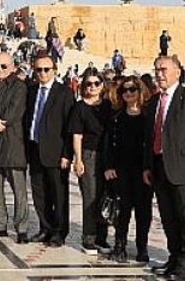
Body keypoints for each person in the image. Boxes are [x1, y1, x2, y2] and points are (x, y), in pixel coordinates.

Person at [143, 55, 185, 281]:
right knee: (168, 216)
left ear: (177, 72)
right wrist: (147, 166)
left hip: (184, 168)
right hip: (160, 167)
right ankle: (174, 257)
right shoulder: (153, 102)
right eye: (156, 70)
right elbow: (149, 136)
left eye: (163, 69)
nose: (159, 74)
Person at [25, 53, 74, 247]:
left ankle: (59, 231)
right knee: (39, 192)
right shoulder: (31, 91)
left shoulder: (64, 93)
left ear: (54, 70)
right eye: (39, 70)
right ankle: (45, 227)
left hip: (56, 152)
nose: (43, 73)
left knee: (58, 193)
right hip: (35, 147)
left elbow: (69, 126)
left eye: (46, 69)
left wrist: (66, 154)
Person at [104, 75, 153, 264]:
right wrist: (108, 166)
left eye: (132, 89)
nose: (128, 93)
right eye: (124, 90)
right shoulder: (116, 116)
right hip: (121, 169)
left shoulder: (148, 116)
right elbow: (107, 142)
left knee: (143, 210)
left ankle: (142, 246)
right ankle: (119, 245)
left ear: (140, 91)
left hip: (143, 171)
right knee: (123, 209)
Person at [0, 52, 29, 241]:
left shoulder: (19, 86)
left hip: (11, 142)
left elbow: (13, 112)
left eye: (4, 66)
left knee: (19, 189)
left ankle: (22, 228)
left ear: (12, 67)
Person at [69, 68, 113, 255]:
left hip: (107, 156)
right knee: (90, 196)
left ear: (102, 86)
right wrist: (78, 160)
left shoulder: (108, 106)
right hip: (88, 154)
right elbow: (77, 135)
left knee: (105, 196)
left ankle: (102, 238)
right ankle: (89, 238)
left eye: (96, 83)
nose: (92, 87)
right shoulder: (80, 107)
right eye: (89, 83)